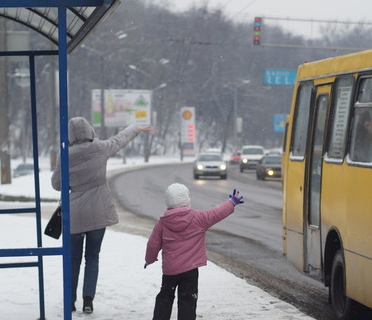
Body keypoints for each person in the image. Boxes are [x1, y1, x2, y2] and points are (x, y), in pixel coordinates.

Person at [51, 117, 149, 314]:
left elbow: (56, 184)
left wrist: (73, 183)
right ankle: (88, 300)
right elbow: (120, 139)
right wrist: (135, 127)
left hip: (76, 214)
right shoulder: (101, 148)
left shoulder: (65, 155)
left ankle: (70, 301)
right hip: (98, 213)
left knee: (74, 259)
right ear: (90, 131)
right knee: (92, 257)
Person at [144, 183, 244, 320]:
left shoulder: (162, 223)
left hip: (170, 270)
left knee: (165, 296)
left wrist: (149, 259)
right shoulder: (199, 218)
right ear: (186, 199)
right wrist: (231, 202)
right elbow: (217, 213)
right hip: (190, 270)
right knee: (188, 300)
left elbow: (153, 244)